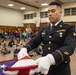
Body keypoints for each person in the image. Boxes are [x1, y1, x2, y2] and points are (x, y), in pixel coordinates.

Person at [10, 1, 76, 75]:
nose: (50, 14)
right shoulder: (44, 29)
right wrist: (25, 48)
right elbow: (34, 41)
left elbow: (69, 47)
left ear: (60, 12)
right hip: (43, 68)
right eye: (48, 11)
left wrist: (50, 58)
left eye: (53, 11)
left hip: (61, 68)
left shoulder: (69, 28)